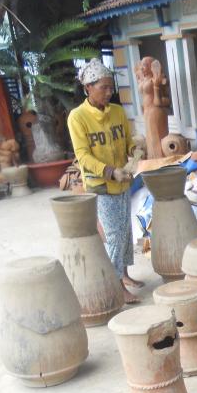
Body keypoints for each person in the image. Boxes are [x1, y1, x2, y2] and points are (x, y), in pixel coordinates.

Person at [67, 58, 143, 304]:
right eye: (103, 88)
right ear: (88, 88)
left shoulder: (118, 112)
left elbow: (127, 141)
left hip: (123, 180)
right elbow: (83, 157)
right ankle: (115, 285)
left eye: (111, 87)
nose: (109, 92)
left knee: (126, 229)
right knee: (113, 234)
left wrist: (135, 150)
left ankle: (125, 274)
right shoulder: (77, 117)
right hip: (102, 185)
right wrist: (110, 171)